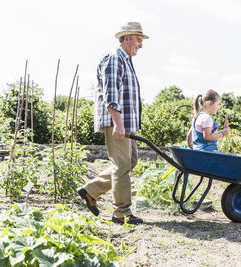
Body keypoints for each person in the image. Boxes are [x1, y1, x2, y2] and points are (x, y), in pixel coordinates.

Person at [77, 22, 148, 225]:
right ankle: (121, 213)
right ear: (126, 38)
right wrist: (118, 122)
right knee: (122, 165)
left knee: (129, 161)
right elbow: (111, 93)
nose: (140, 46)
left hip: (126, 123)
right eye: (138, 40)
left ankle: (91, 190)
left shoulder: (127, 61)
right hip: (117, 121)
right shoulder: (115, 59)